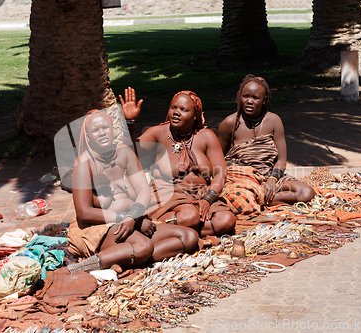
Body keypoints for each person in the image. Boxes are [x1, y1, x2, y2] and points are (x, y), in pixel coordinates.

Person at [67, 110, 199, 273]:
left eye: (105, 127)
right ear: (88, 136)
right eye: (95, 130)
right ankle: (80, 268)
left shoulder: (125, 153)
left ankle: (126, 257)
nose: (102, 133)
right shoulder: (84, 163)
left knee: (189, 237)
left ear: (113, 129)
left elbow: (143, 191)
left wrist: (134, 217)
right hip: (100, 227)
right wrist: (127, 218)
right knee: (143, 246)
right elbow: (84, 213)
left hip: (133, 220)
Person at [120, 87, 236, 237]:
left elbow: (221, 173)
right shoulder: (159, 133)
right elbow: (129, 152)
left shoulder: (206, 136)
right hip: (168, 195)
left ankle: (178, 232)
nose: (176, 112)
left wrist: (208, 199)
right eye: (173, 107)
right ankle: (173, 229)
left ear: (195, 116)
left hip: (200, 195)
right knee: (190, 217)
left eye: (183, 109)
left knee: (226, 220)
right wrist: (130, 123)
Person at [217, 74, 315, 219]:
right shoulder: (230, 123)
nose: (249, 101)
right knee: (239, 198)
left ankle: (257, 200)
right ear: (240, 98)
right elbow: (217, 158)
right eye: (245, 96)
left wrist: (272, 180)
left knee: (306, 192)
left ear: (264, 101)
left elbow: (281, 160)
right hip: (242, 179)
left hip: (269, 176)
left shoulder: (274, 121)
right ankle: (262, 199)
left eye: (255, 98)